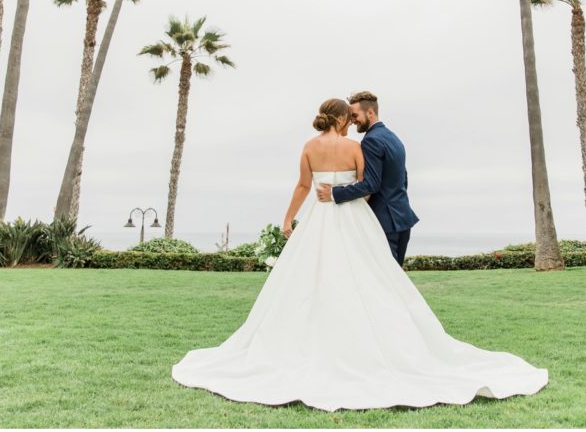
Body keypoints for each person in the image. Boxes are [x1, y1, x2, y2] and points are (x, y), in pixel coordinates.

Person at [170, 96, 549, 411]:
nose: (352, 122)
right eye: (347, 118)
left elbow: (303, 185)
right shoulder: (354, 147)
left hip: (318, 217)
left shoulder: (308, 147)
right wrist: (347, 198)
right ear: (340, 118)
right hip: (353, 219)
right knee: (371, 277)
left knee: (307, 279)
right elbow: (369, 188)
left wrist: (289, 219)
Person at [316, 91, 417, 266]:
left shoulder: (371, 141)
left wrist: (334, 193)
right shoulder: (394, 138)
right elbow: (403, 178)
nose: (352, 120)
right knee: (396, 279)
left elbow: (371, 184)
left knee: (385, 278)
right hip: (403, 218)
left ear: (370, 113)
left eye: (354, 115)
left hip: (384, 222)